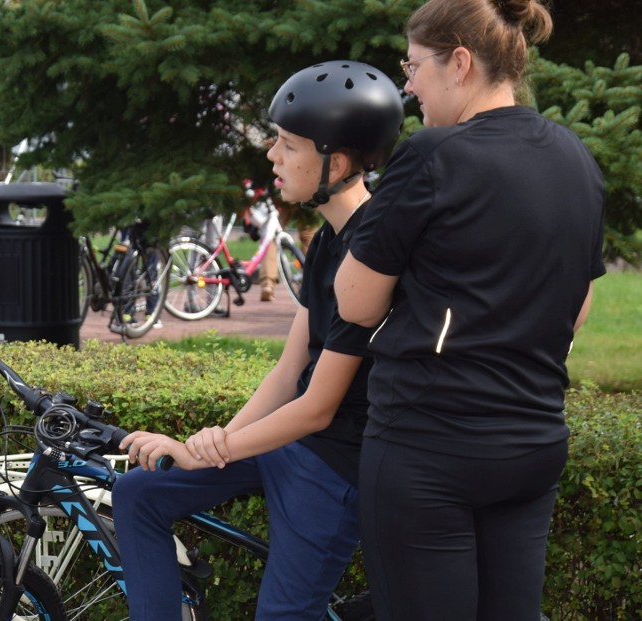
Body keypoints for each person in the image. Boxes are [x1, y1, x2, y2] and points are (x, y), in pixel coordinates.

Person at [333, 1, 606, 620]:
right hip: (533, 444)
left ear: (459, 63)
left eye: (413, 66)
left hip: (429, 449)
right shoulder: (574, 157)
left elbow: (354, 301)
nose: (407, 84)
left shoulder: (434, 155)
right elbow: (579, 306)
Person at [113, 60, 403, 621]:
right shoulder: (326, 240)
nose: (272, 154)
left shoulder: (371, 250)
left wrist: (211, 451)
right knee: (138, 494)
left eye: (289, 144)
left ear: (335, 162)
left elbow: (317, 408)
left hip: (334, 468)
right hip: (290, 446)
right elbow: (288, 370)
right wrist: (212, 444)